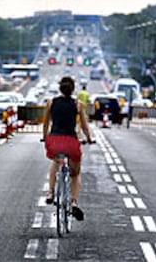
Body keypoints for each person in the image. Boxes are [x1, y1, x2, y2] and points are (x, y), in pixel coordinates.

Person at [43, 76, 92, 221]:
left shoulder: (51, 102)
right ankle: (74, 203)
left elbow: (45, 124)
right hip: (71, 142)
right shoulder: (78, 105)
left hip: (54, 141)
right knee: (75, 174)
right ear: (73, 89)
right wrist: (88, 138)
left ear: (60, 88)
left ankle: (50, 193)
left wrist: (45, 137)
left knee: (55, 162)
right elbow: (83, 125)